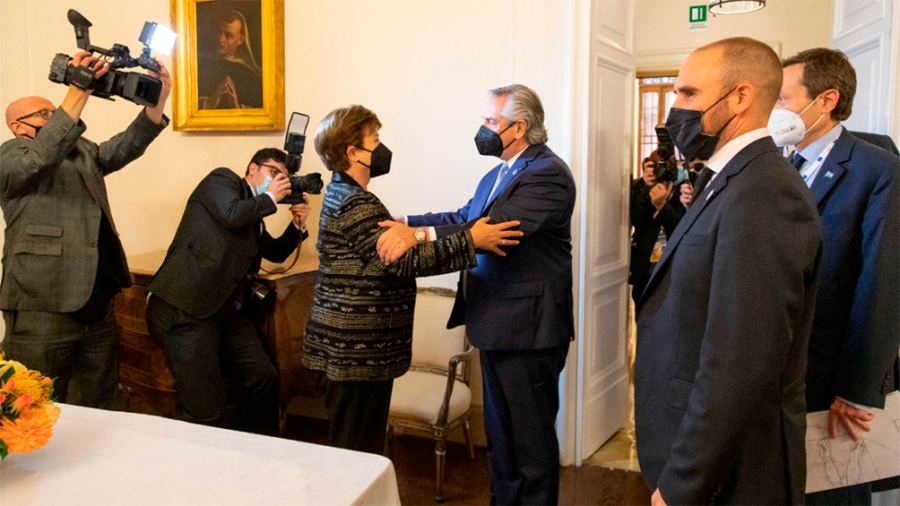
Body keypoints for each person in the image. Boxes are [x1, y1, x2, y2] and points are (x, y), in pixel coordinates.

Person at [633, 37, 822, 505]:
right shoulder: (728, 178)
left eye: (689, 93)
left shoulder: (765, 190)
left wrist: (681, 486)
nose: (676, 108)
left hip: (729, 474)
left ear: (740, 97)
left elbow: (740, 365)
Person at [377, 84, 576, 504]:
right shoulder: (497, 173)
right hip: (495, 323)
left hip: (529, 330)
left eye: (491, 120)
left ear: (519, 127)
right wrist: (405, 221)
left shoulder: (548, 174)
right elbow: (464, 217)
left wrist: (417, 237)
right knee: (501, 440)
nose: (483, 128)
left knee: (531, 445)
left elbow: (492, 232)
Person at [302, 105, 522, 455]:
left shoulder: (346, 194)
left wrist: (414, 229)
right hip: (354, 353)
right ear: (353, 152)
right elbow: (405, 261)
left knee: (358, 450)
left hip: (353, 351)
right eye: (375, 139)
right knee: (357, 455)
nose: (382, 147)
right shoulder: (355, 203)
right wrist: (472, 240)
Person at [0, 51, 170, 409]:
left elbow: (124, 148)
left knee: (98, 404)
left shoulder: (81, 151)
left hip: (96, 306)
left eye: (55, 112)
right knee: (32, 406)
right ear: (18, 126)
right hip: (42, 307)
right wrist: (78, 90)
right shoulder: (11, 156)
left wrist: (157, 102)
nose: (57, 117)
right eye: (45, 114)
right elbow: (40, 158)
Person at [771, 47, 900, 505]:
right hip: (782, 370)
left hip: (833, 375)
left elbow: (883, 284)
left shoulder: (878, 169)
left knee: (834, 494)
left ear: (826, 100)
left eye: (782, 99)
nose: (774, 110)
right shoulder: (779, 166)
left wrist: (857, 388)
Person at [146, 148, 310, 435]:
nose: (279, 181)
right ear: (253, 169)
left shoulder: (255, 216)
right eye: (274, 173)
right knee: (205, 409)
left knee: (264, 378)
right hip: (185, 310)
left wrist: (297, 224)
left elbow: (275, 252)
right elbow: (231, 214)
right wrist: (271, 198)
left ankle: (245, 444)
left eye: (284, 177)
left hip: (223, 311)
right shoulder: (222, 181)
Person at [629, 152, 687, 303]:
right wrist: (646, 189)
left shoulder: (687, 189)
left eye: (676, 162)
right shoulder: (643, 188)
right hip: (645, 269)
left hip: (674, 270)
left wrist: (662, 206)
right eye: (663, 165)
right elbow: (637, 221)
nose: (671, 168)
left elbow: (682, 229)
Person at [198, 9, 263, 109]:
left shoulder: (250, 75)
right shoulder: (202, 64)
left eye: (228, 35)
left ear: (240, 40)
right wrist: (210, 103)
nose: (220, 39)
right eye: (218, 32)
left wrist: (236, 106)